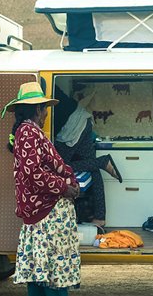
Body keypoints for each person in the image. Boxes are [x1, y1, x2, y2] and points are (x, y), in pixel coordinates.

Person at [1, 81, 96, 296]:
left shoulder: (25, 132)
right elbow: (34, 173)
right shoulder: (30, 133)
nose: (46, 114)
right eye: (44, 109)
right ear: (37, 109)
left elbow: (36, 170)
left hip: (40, 210)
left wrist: (68, 181)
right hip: (47, 210)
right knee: (55, 264)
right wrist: (65, 187)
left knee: (39, 264)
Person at [52, 86, 122, 228]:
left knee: (57, 167)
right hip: (83, 119)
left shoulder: (42, 88)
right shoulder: (54, 88)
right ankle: (100, 218)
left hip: (71, 128)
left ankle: (101, 161)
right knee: (92, 167)